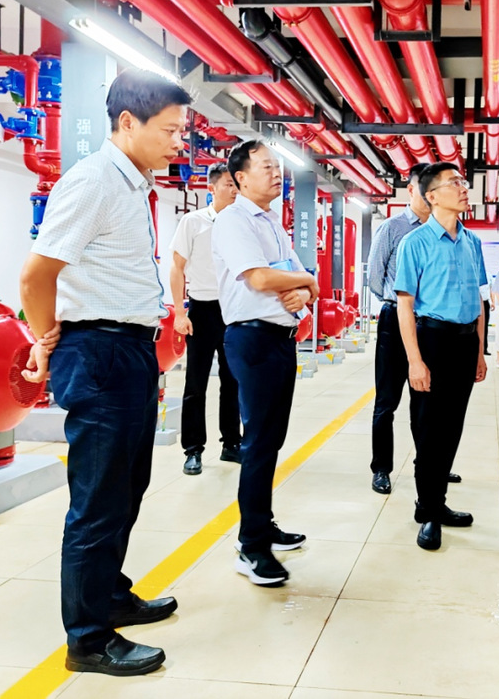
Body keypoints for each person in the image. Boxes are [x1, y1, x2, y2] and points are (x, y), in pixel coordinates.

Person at [19, 69, 193, 676]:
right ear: (127, 122)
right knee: (97, 501)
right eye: (169, 130)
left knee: (127, 487)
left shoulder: (132, 185)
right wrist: (45, 339)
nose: (179, 142)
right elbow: (36, 276)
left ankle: (110, 596)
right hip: (98, 352)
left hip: (130, 351)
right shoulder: (93, 181)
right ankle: (88, 639)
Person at [212, 139, 317, 587]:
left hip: (280, 339)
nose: (277, 173)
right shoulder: (233, 221)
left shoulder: (272, 222)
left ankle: (262, 522)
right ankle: (250, 547)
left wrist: (304, 288)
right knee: (256, 442)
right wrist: (305, 280)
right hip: (252, 339)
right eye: (267, 167)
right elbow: (259, 277)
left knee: (271, 440)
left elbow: (302, 281)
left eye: (278, 166)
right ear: (240, 178)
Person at [394, 162, 487, 551]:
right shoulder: (414, 243)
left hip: (465, 343)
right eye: (454, 183)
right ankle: (429, 511)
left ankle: (437, 502)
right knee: (429, 429)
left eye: (463, 182)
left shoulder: (472, 242)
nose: (464, 188)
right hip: (432, 340)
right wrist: (415, 360)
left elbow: (479, 302)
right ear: (431, 196)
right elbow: (405, 305)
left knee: (452, 428)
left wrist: (480, 351)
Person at [367, 163, 455, 495]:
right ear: (412, 190)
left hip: (429, 325)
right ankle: (381, 468)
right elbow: (375, 278)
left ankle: (429, 465)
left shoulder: (441, 230)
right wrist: (397, 302)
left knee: (428, 402)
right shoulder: (393, 227)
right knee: (387, 400)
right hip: (395, 320)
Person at [169, 163, 242, 475]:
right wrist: (179, 312)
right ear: (212, 188)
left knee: (233, 381)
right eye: (228, 184)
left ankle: (232, 444)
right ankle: (193, 450)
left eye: (237, 184)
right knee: (195, 383)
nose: (234, 190)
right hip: (201, 310)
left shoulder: (242, 223)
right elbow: (176, 268)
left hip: (233, 310)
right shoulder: (193, 222)